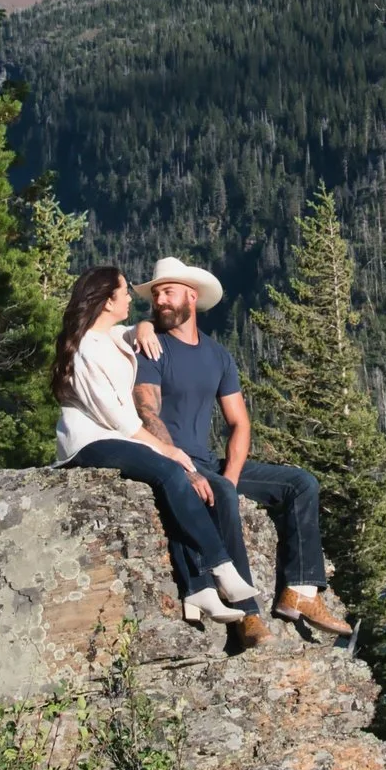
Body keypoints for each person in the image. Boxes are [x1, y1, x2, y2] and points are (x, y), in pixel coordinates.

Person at [134, 258, 356, 640]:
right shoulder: (151, 347)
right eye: (155, 295)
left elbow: (239, 422)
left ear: (192, 296)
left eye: (167, 291)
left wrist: (232, 476)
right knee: (220, 494)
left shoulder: (218, 356)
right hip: (171, 460)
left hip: (207, 460)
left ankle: (300, 591)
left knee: (300, 483)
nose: (160, 300)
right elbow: (146, 410)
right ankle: (246, 614)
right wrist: (183, 466)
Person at [51, 265, 270, 642]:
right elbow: (120, 420)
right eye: (123, 294)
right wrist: (171, 451)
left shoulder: (112, 337)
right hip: (89, 442)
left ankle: (200, 587)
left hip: (116, 438)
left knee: (184, 478)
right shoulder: (87, 347)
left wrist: (144, 328)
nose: (131, 301)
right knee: (171, 473)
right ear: (106, 302)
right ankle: (220, 565)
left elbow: (130, 331)